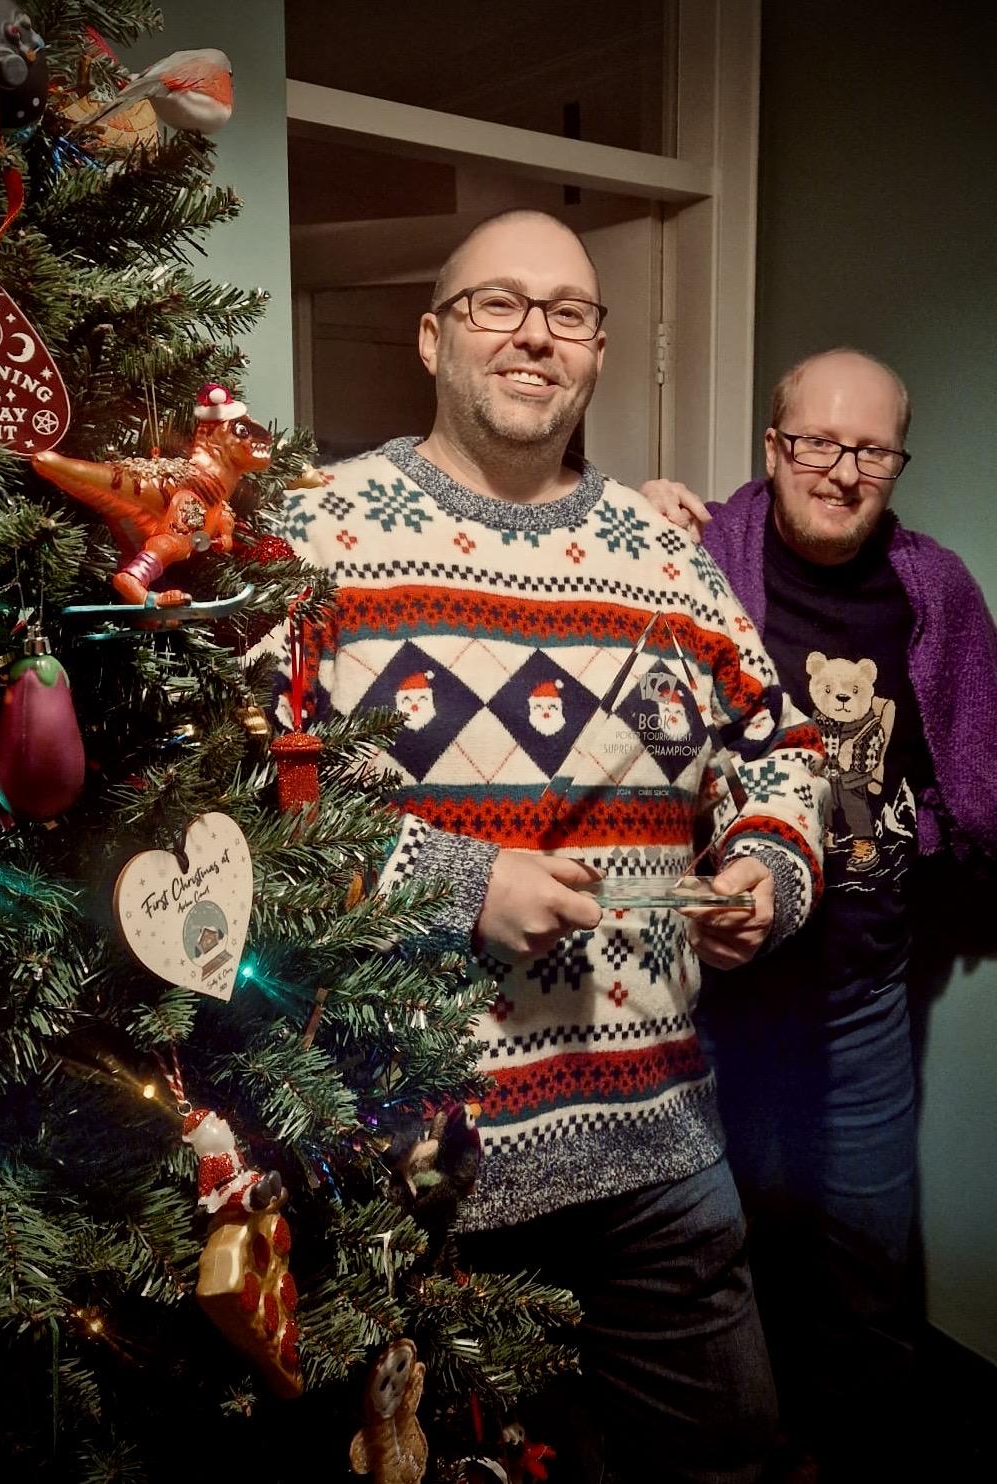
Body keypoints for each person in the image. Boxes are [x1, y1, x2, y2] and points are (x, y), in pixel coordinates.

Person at [261, 211, 828, 1483]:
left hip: (659, 1145)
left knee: (724, 1461)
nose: (534, 334)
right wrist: (458, 883)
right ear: (430, 335)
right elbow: (240, 798)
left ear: (597, 351)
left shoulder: (666, 557)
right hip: (409, 1157)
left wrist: (764, 872)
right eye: (495, 304)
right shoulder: (315, 533)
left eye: (568, 312)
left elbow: (782, 746)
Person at [639, 348, 997, 1481]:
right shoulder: (693, 553)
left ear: (895, 459)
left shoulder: (932, 586)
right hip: (709, 978)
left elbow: (976, 762)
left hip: (859, 982)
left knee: (862, 1241)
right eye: (814, 444)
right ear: (771, 447)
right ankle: (741, 1444)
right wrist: (629, 509)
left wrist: (922, 836)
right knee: (711, 1232)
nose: (840, 471)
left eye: (870, 450)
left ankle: (860, 1451)